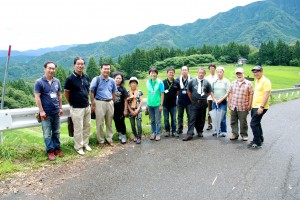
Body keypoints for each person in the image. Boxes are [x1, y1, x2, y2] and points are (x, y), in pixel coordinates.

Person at [34, 61, 63, 161]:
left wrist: (60, 107)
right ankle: (50, 151)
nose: (51, 70)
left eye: (53, 68)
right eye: (49, 68)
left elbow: (59, 95)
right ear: (45, 69)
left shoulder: (57, 81)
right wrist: (41, 111)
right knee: (47, 133)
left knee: (56, 132)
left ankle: (57, 149)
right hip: (45, 113)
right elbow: (37, 97)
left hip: (56, 112)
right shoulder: (39, 82)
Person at [64, 57, 92, 155]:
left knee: (87, 126)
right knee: (78, 128)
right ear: (74, 65)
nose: (80, 66)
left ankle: (85, 144)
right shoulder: (70, 79)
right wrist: (71, 103)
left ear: (84, 65)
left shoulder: (86, 77)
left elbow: (87, 89)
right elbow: (66, 93)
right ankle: (78, 147)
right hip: (76, 107)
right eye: (78, 64)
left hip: (86, 105)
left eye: (82, 64)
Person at [90, 63, 117, 147]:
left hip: (109, 102)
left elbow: (114, 92)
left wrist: (112, 101)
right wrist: (93, 104)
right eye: (105, 69)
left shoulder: (112, 80)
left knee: (109, 123)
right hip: (99, 102)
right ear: (101, 69)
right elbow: (91, 92)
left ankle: (109, 139)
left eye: (108, 69)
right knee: (100, 123)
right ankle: (101, 141)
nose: (107, 70)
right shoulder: (96, 79)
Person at [183, 67, 212, 141]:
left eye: (203, 73)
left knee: (202, 118)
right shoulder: (192, 81)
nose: (201, 74)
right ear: (197, 73)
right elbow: (188, 91)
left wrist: (203, 97)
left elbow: (209, 92)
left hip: (203, 103)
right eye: (200, 72)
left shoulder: (207, 82)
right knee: (192, 118)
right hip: (194, 102)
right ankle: (190, 134)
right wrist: (192, 99)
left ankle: (200, 131)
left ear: (205, 74)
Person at [248, 65, 271, 148]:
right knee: (257, 123)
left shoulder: (265, 81)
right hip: (255, 106)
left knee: (253, 124)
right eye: (254, 72)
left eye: (257, 71)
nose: (255, 73)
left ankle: (257, 141)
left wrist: (261, 107)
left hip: (260, 106)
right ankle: (260, 138)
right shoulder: (258, 80)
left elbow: (266, 94)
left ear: (261, 71)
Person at [228, 68, 253, 141]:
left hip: (243, 106)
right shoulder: (233, 83)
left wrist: (250, 104)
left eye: (240, 73)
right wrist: (229, 103)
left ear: (243, 73)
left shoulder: (248, 83)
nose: (239, 75)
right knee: (233, 121)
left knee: (243, 122)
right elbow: (230, 93)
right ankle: (234, 134)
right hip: (234, 105)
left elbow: (251, 94)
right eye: (237, 74)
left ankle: (244, 135)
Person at [211, 66, 230, 137]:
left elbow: (228, 92)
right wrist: (214, 99)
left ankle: (223, 131)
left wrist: (220, 100)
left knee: (222, 116)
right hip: (215, 101)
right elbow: (211, 91)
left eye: (220, 72)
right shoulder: (214, 81)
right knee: (215, 116)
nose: (219, 73)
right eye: (218, 72)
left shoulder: (226, 81)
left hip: (223, 102)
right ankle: (216, 130)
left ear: (223, 72)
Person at [147, 67, 164, 141]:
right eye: (151, 72)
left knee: (158, 120)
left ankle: (158, 134)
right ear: (149, 74)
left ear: (157, 74)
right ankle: (153, 133)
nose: (153, 74)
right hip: (150, 104)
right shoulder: (148, 82)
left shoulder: (160, 82)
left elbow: (162, 94)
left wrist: (161, 105)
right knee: (152, 120)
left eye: (154, 73)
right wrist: (147, 105)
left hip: (157, 105)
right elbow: (149, 94)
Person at [163, 67, 180, 137]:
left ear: (174, 73)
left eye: (172, 72)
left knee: (174, 119)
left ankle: (174, 131)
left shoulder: (176, 82)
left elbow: (178, 92)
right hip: (165, 104)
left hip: (173, 104)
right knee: (166, 119)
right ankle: (167, 131)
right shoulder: (163, 82)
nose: (171, 74)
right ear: (167, 73)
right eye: (170, 72)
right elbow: (161, 93)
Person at [112, 71, 128, 144]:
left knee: (122, 122)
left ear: (122, 80)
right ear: (113, 79)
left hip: (121, 108)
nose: (118, 80)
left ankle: (124, 135)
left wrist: (125, 110)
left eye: (120, 78)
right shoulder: (111, 87)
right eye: (116, 78)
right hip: (113, 108)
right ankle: (119, 133)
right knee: (116, 121)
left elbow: (125, 100)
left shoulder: (123, 89)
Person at [127, 77, 143, 144]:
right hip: (130, 111)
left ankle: (139, 137)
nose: (133, 84)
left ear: (137, 84)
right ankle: (135, 136)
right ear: (130, 84)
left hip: (138, 110)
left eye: (135, 83)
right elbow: (126, 102)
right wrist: (130, 110)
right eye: (132, 83)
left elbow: (141, 101)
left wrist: (137, 109)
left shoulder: (139, 92)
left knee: (139, 124)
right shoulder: (127, 92)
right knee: (132, 124)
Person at [176, 66, 192, 135]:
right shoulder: (177, 80)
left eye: (185, 70)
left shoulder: (191, 80)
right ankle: (180, 129)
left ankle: (190, 130)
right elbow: (175, 90)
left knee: (190, 116)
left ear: (188, 71)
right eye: (183, 70)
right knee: (180, 116)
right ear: (181, 71)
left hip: (189, 101)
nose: (184, 71)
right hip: (180, 101)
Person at [205, 64, 217, 130]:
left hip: (217, 97)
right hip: (209, 97)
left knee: (217, 111)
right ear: (209, 69)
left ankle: (217, 125)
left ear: (215, 69)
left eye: (213, 68)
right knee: (210, 111)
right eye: (211, 68)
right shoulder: (207, 78)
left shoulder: (217, 77)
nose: (212, 69)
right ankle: (210, 124)